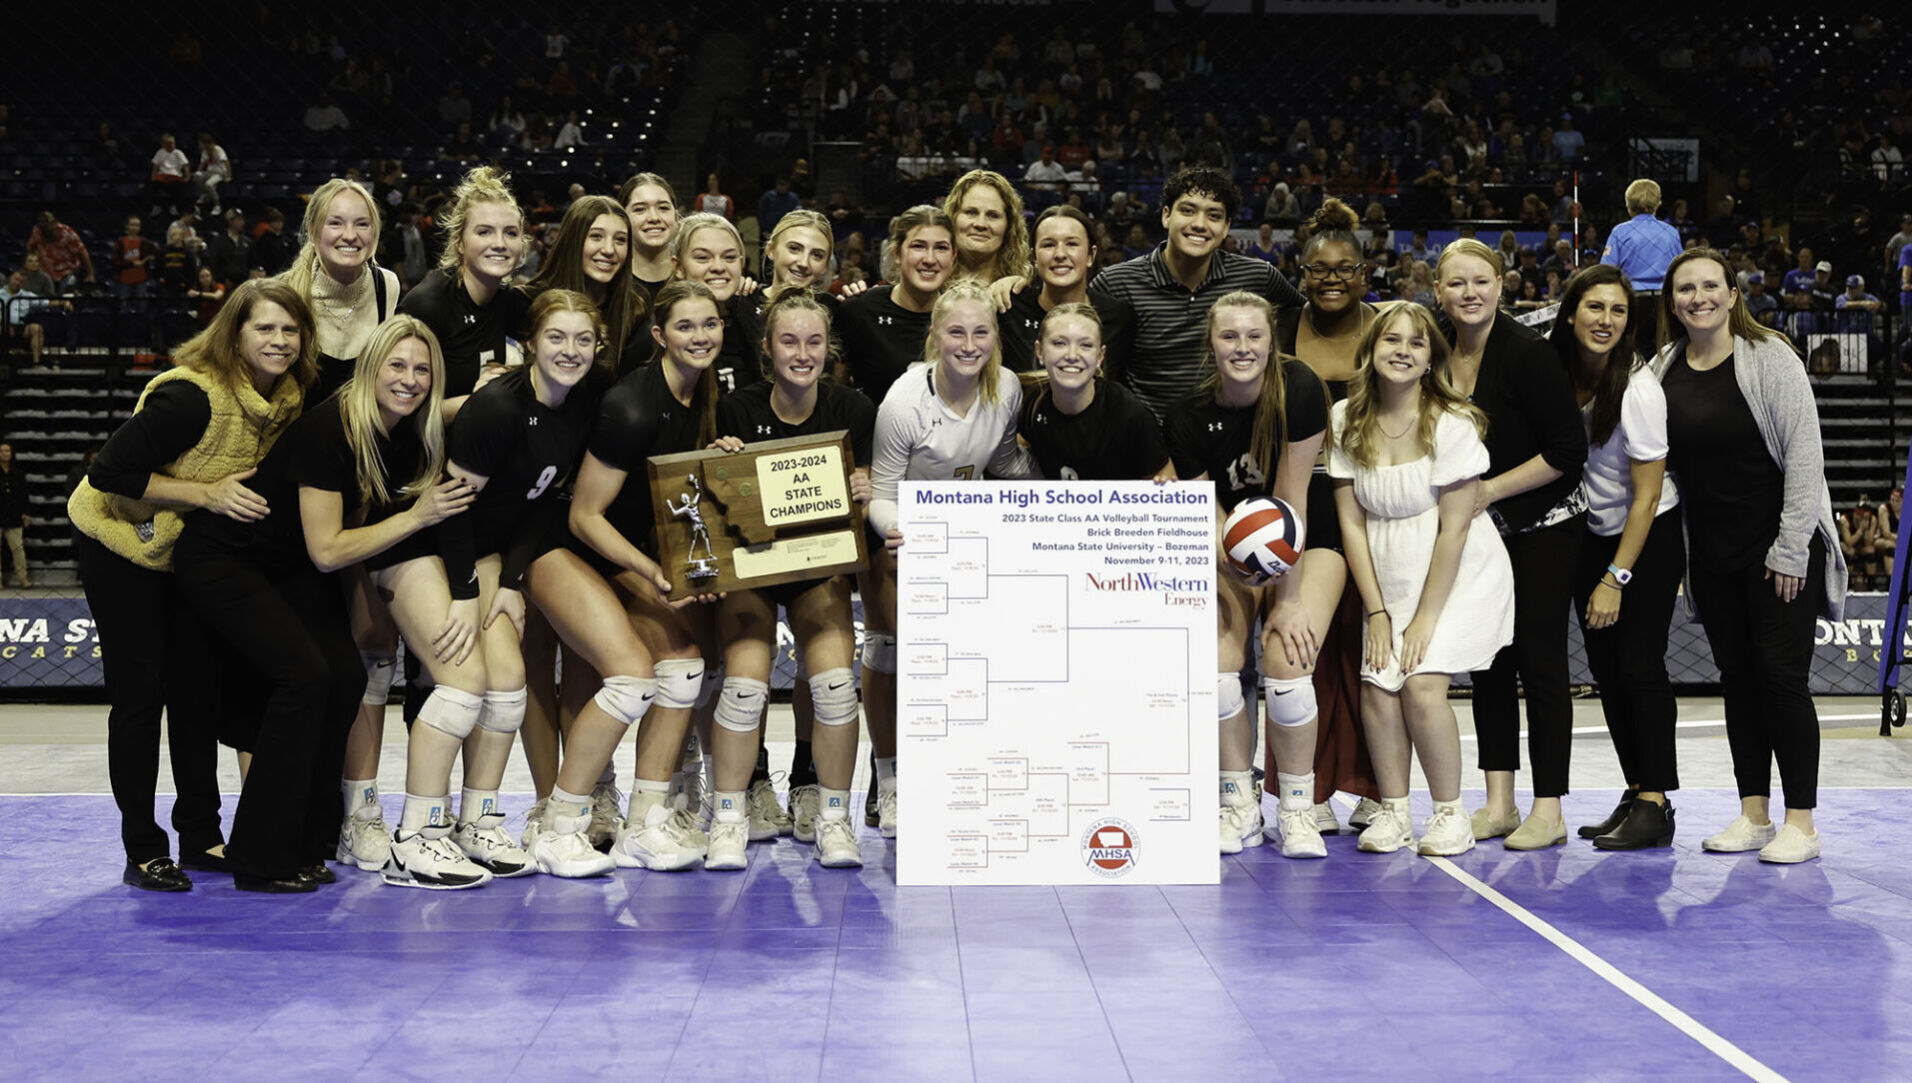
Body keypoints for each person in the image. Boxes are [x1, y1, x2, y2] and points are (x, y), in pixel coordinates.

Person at [172, 318, 467, 892]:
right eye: (397, 366)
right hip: (225, 559)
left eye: (422, 369)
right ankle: (260, 857)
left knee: (342, 677)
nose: (409, 380)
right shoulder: (331, 430)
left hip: (287, 568)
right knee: (306, 677)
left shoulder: (406, 431)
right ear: (370, 368)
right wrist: (417, 516)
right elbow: (329, 550)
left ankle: (310, 842)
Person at [67, 279, 314, 891]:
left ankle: (201, 836)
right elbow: (109, 472)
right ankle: (142, 847)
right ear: (234, 333)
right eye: (265, 328)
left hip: (186, 553)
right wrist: (206, 493)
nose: (279, 340)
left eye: (290, 329)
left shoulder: (285, 399)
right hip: (119, 545)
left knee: (198, 692)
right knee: (141, 696)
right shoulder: (190, 398)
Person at [1656, 248, 1845, 864]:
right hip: (1713, 555)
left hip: (1779, 552)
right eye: (1686, 288)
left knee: (1781, 680)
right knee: (1738, 683)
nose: (1699, 297)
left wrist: (1791, 549)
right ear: (1672, 300)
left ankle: (1803, 824)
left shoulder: (1771, 359)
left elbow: (1805, 456)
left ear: (1733, 295)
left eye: (1711, 286)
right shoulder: (1663, 369)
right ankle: (1754, 815)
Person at [1331, 305, 1513, 859]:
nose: (1403, 350)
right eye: (1391, 338)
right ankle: (1393, 811)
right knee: (1377, 685)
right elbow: (1351, 525)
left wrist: (1424, 619)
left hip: (1457, 569)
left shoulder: (1452, 423)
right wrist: (1379, 612)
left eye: (1416, 342)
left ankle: (1450, 814)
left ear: (1430, 356)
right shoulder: (1345, 418)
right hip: (1386, 569)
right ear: (1372, 348)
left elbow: (1455, 530)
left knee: (1420, 681)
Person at [565, 281, 732, 870]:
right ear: (659, 335)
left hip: (652, 551)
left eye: (709, 324)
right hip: (595, 553)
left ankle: (654, 815)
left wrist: (722, 458)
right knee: (677, 667)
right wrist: (656, 574)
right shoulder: (631, 405)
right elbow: (584, 517)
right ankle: (599, 819)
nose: (700, 337)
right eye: (685, 326)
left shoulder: (707, 390)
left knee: (697, 667)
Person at [708, 290, 877, 868]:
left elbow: (865, 500)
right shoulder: (734, 410)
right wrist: (719, 461)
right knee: (745, 688)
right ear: (766, 348)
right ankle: (728, 818)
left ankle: (834, 818)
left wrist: (866, 488)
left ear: (829, 349)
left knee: (834, 685)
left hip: (817, 571)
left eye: (814, 341)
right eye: (789, 340)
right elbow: (714, 499)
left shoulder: (853, 411)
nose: (802, 353)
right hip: (753, 571)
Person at [865, 279, 1039, 837]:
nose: (969, 343)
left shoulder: (1007, 388)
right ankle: (889, 784)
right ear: (935, 335)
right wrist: (897, 531)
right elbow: (882, 493)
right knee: (892, 651)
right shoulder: (903, 404)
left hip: (966, 537)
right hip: (902, 538)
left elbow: (1008, 465)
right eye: (956, 331)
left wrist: (1063, 502)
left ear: (995, 337)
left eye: (981, 331)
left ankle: (954, 777)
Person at [1162, 291, 1333, 857]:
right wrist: (1236, 561)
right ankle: (1238, 805)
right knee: (1215, 665)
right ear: (1211, 344)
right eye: (1229, 336)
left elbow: (1293, 498)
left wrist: (1286, 600)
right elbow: (1206, 514)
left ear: (1271, 340)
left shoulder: (1301, 388)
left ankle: (1298, 811)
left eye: (1254, 336)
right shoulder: (1186, 415)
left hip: (1307, 533)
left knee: (1287, 658)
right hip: (1231, 545)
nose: (1243, 347)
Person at [1434, 239, 1587, 851]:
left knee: (1542, 664)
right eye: (1456, 283)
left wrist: (1488, 492)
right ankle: (1499, 802)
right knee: (1489, 660)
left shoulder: (1528, 354)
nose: (1469, 293)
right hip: (1480, 532)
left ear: (1502, 285)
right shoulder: (1437, 354)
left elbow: (1567, 453)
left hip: (1544, 525)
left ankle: (1548, 809)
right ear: (1438, 290)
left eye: (1481, 281)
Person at [1549, 265, 1686, 849]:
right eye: (1595, 307)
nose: (1605, 320)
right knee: (1606, 672)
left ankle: (1656, 802)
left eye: (1618, 310)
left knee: (1638, 664)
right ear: (1571, 311)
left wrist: (1615, 577)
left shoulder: (1638, 387)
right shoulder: (1555, 370)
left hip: (1647, 533)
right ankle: (1635, 791)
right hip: (1594, 530)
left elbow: (1649, 494)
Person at [1271, 197, 1381, 838]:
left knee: (1368, 656)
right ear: (1300, 271)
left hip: (1372, 504)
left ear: (1365, 271)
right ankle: (1305, 787)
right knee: (1299, 649)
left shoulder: (1387, 328)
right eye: (1318, 268)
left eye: (1345, 267)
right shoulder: (1279, 328)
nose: (1332, 278)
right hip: (1298, 505)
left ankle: (1374, 788)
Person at [1094, 165, 1304, 420]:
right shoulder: (1116, 283)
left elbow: (1307, 319)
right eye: (1188, 211)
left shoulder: (1258, 276)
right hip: (1148, 447)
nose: (1200, 224)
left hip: (1233, 445)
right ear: (1166, 216)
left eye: (1214, 215)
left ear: (1226, 227)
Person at [398, 165, 530, 421]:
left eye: (511, 233)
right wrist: (482, 400)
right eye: (484, 231)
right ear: (459, 241)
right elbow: (400, 411)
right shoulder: (427, 306)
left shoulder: (510, 300)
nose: (500, 243)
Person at [1019, 302, 1169, 481]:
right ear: (1040, 351)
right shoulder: (1032, 404)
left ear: (1100, 356)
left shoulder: (1130, 414)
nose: (1072, 356)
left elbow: (1165, 489)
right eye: (1059, 343)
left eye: (1086, 345)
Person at [993, 205, 1135, 381]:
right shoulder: (1009, 309)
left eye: (1072, 244)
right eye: (1049, 245)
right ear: (1034, 257)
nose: (1060, 254)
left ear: (1091, 255)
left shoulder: (1118, 317)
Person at [838, 205, 956, 406]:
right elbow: (836, 394)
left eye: (941, 248)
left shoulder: (964, 315)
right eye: (918, 246)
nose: (930, 259)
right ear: (897, 253)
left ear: (954, 256)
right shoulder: (860, 310)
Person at [943, 168, 1030, 287]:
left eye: (993, 215)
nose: (980, 224)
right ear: (953, 217)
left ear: (1009, 226)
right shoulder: (928, 285)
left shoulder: (1027, 287)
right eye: (971, 212)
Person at [618, 172, 680, 314]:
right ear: (622, 219)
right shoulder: (609, 283)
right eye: (640, 209)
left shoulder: (693, 278)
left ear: (676, 216)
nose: (654, 217)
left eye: (663, 208)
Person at [0, 443, 28, 588]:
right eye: (2, 451)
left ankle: (23, 578)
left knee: (18, 548)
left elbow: (24, 494)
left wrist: (26, 513)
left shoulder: (18, 473)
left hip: (14, 516)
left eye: (7, 451)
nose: (5, 453)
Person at [193, 133, 232, 216]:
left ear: (205, 143)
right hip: (209, 172)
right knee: (197, 175)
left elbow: (226, 162)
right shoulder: (204, 152)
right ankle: (206, 194)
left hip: (220, 172)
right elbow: (202, 164)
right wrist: (197, 173)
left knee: (208, 185)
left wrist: (229, 176)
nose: (199, 145)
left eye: (200, 143)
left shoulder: (218, 149)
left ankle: (217, 205)